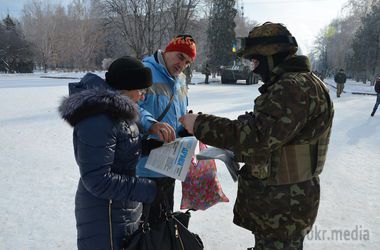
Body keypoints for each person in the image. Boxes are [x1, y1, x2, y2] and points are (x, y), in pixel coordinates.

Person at [180, 22, 334, 250]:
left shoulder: (291, 87)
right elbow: (278, 135)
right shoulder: (305, 83)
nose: (253, 69)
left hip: (283, 205)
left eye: (255, 60)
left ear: (271, 56)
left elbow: (257, 139)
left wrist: (200, 124)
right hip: (289, 202)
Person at [58, 56, 159, 250]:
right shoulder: (98, 118)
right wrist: (148, 190)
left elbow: (118, 150)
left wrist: (147, 148)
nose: (143, 96)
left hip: (120, 209)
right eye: (140, 90)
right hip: (104, 215)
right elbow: (98, 179)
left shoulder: (117, 113)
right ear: (126, 87)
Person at [137, 34, 197, 223]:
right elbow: (127, 106)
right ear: (168, 50)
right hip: (143, 169)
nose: (182, 65)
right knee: (141, 233)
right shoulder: (144, 71)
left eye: (187, 62)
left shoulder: (181, 80)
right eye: (180, 57)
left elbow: (177, 114)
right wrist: (151, 125)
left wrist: (186, 127)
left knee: (163, 230)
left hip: (169, 168)